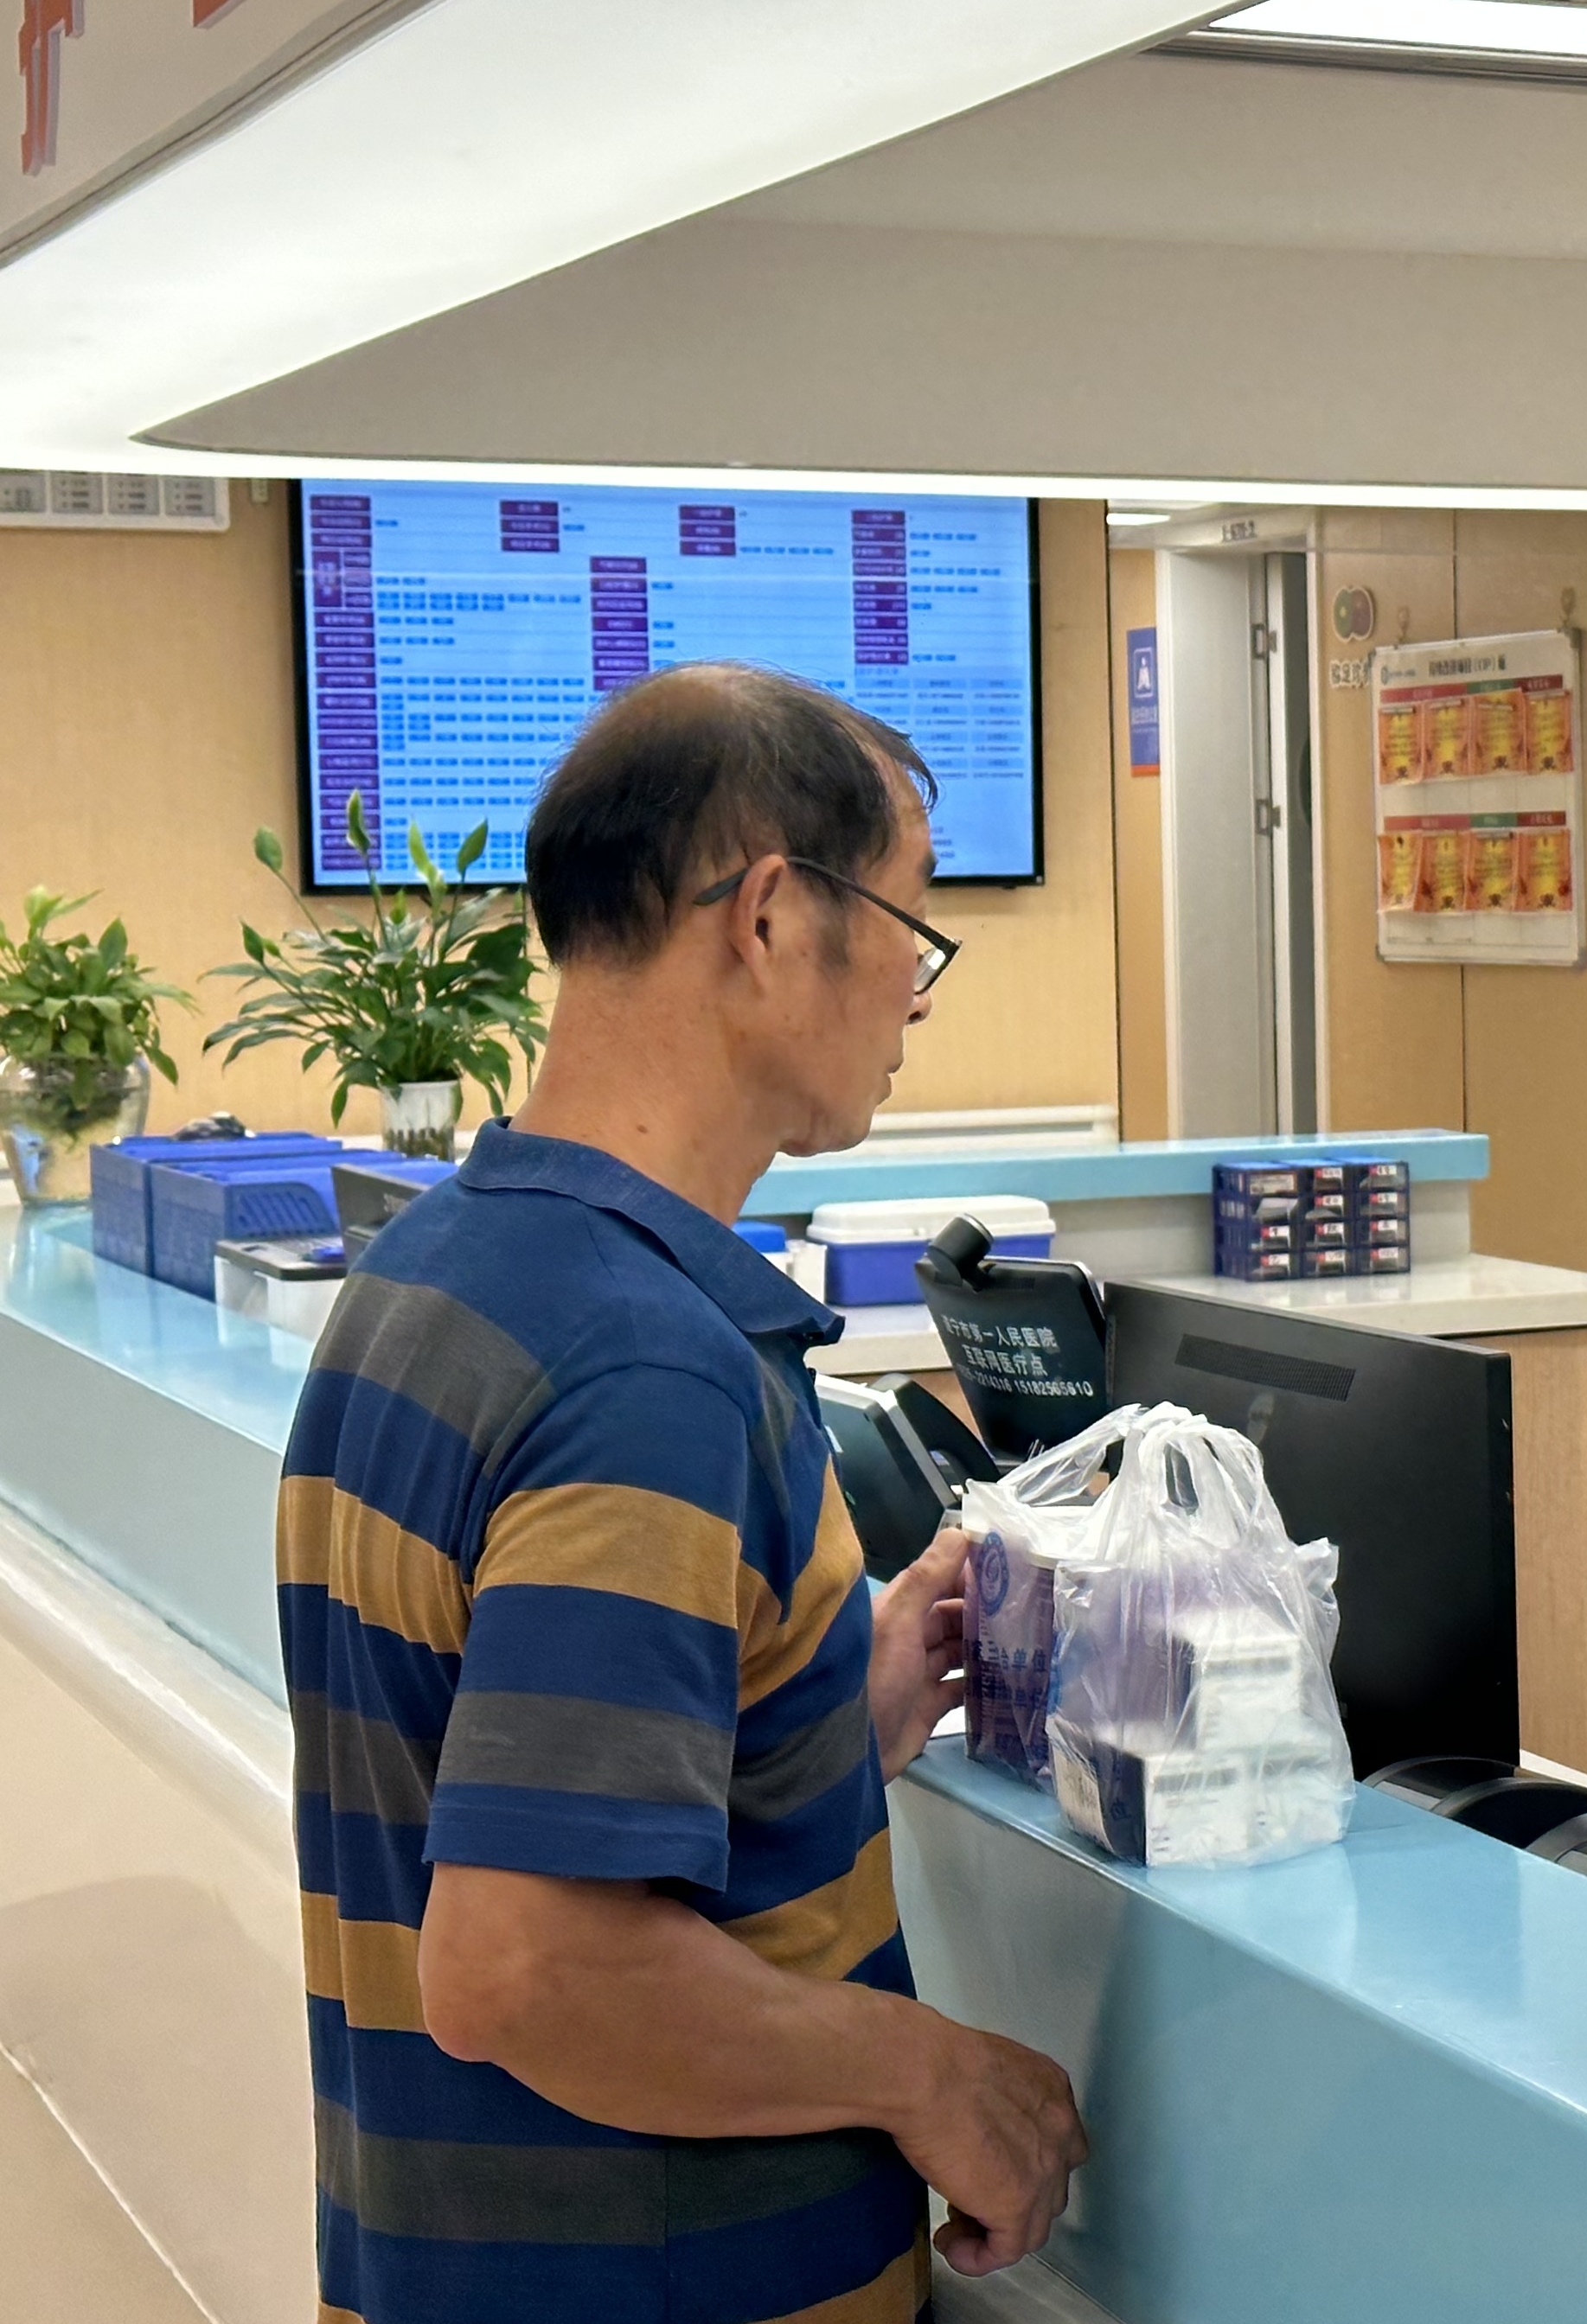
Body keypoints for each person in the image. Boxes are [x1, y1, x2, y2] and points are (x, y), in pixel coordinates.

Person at [279, 664, 1087, 2324]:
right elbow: (529, 1969)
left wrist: (823, 1713)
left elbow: (491, 1779)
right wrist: (929, 2071)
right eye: (912, 927)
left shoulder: (435, 1272)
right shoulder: (645, 1370)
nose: (919, 992)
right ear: (772, 918)